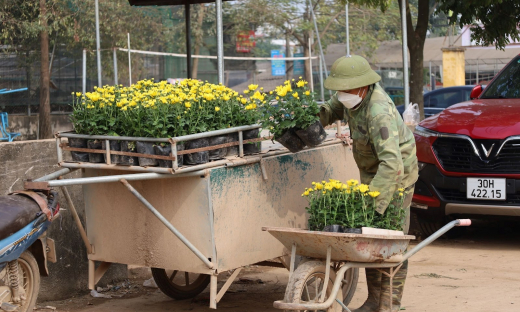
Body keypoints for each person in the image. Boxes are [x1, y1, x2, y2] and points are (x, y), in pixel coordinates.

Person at [319, 55, 418, 312]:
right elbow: (333, 108)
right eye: (339, 89)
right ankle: (374, 301)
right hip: (373, 176)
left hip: (396, 179)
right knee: (371, 239)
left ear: (362, 86)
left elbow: (392, 164)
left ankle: (389, 306)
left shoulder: (378, 112)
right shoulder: (351, 96)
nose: (342, 94)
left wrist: (376, 203)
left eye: (346, 89)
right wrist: (313, 118)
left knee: (391, 243)